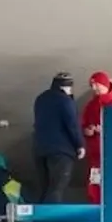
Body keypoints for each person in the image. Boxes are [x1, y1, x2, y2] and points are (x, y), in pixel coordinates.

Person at [32, 70, 83, 203]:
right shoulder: (65, 101)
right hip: (61, 151)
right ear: (67, 86)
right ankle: (53, 221)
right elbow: (72, 124)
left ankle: (41, 221)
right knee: (57, 188)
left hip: (40, 149)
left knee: (44, 188)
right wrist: (80, 144)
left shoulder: (40, 99)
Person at [79, 70, 112, 203]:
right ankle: (96, 208)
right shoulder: (90, 106)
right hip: (96, 155)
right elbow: (83, 125)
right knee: (95, 184)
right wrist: (87, 131)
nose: (94, 89)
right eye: (92, 86)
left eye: (97, 85)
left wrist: (107, 129)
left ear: (105, 84)